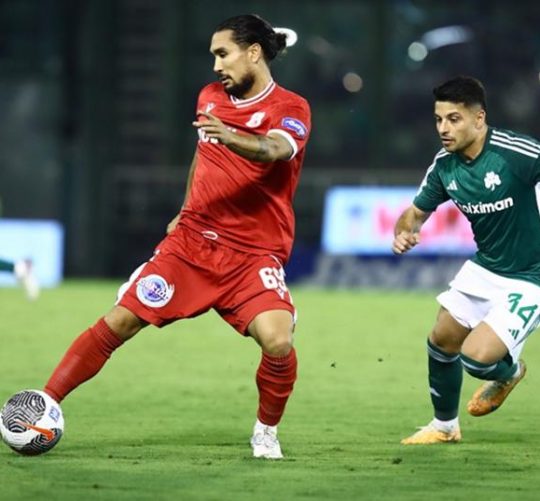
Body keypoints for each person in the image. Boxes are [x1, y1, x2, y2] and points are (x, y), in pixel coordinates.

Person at [42, 14, 310, 459]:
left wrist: (232, 136)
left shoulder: (292, 107)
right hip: (192, 244)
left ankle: (266, 431)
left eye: (223, 54)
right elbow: (203, 156)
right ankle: (45, 403)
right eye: (213, 56)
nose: (216, 66)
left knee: (278, 341)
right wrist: (185, 208)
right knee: (120, 321)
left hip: (253, 254)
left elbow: (275, 149)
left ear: (253, 53)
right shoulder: (210, 98)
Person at [393, 76, 540, 444]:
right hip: (487, 266)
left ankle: (509, 373)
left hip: (532, 275)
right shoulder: (445, 166)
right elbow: (414, 213)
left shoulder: (514, 153)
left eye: (453, 119)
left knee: (477, 358)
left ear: (479, 118)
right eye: (439, 119)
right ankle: (444, 427)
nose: (444, 128)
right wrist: (405, 231)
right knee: (442, 339)